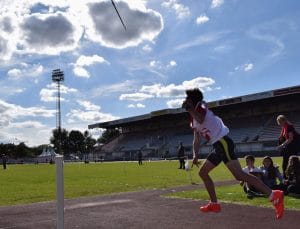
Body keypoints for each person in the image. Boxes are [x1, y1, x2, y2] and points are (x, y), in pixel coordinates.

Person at [182, 88, 284, 219]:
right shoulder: (192, 120)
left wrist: (190, 108)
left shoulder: (200, 106)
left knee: (239, 175)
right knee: (203, 172)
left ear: (191, 101)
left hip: (223, 142)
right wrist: (195, 154)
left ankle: (274, 195)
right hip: (217, 146)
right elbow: (196, 139)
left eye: (186, 99)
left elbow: (201, 119)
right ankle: (214, 204)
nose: (184, 101)